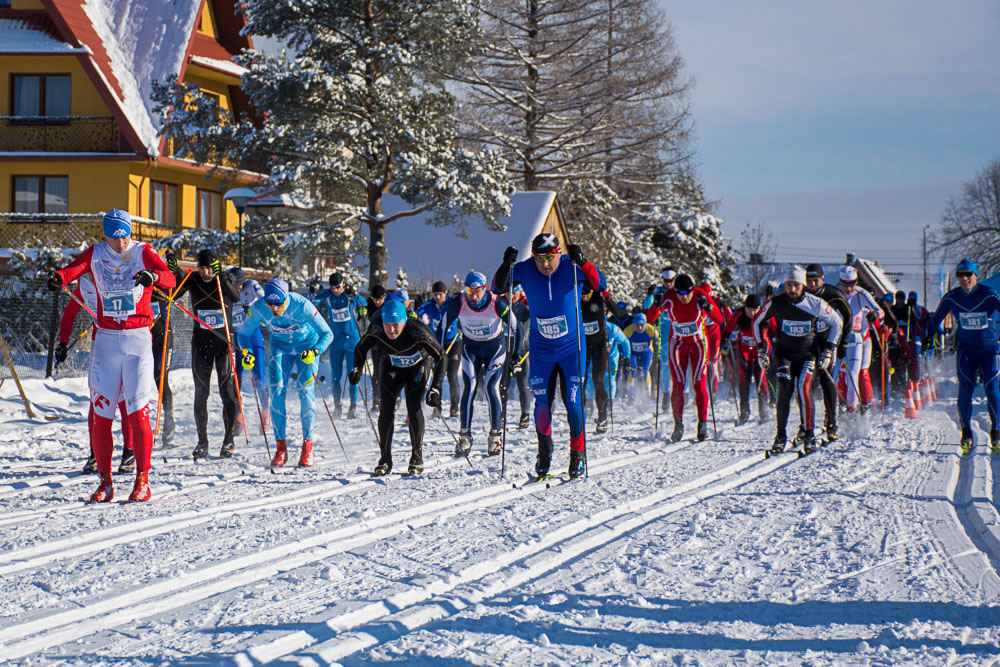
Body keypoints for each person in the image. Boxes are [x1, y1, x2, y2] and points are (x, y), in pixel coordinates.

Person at [47, 208, 175, 502]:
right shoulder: (95, 253)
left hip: (137, 340)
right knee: (101, 417)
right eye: (114, 237)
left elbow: (169, 278)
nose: (120, 243)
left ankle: (142, 479)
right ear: (105, 234)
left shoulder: (143, 251)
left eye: (125, 236)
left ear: (131, 231)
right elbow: (71, 271)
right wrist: (57, 278)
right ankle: (105, 481)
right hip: (105, 340)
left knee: (137, 412)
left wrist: (152, 275)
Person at [494, 234, 606, 479]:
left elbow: (601, 286)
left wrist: (584, 261)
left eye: (551, 258)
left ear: (559, 254)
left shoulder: (571, 267)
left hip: (571, 350)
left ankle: (577, 455)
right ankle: (544, 452)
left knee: (573, 404)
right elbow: (497, 288)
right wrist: (506, 265)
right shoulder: (524, 269)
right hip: (542, 350)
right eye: (540, 259)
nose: (546, 264)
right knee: (542, 404)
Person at [236, 278, 333, 467]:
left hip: (306, 347)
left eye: (278, 304)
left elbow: (327, 333)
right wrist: (246, 353)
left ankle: (307, 448)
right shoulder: (259, 308)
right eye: (270, 304)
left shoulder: (301, 305)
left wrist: (315, 351)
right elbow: (243, 334)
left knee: (305, 392)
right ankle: (281, 449)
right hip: (280, 349)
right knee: (277, 393)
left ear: (286, 299)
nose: (274, 309)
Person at [753, 266, 843, 455]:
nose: (791, 290)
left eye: (795, 285)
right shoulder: (776, 302)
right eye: (788, 285)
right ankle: (780, 436)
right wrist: (761, 350)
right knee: (784, 389)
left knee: (804, 387)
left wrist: (829, 350)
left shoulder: (815, 303)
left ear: (802, 285)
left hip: (807, 354)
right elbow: (756, 322)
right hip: (783, 353)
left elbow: (837, 323)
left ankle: (809, 434)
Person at [350, 300, 445, 475]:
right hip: (391, 368)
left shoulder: (417, 330)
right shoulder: (376, 328)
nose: (391, 330)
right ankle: (385, 458)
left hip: (417, 367)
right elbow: (360, 349)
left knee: (413, 405)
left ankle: (417, 456)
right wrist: (357, 369)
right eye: (387, 325)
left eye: (395, 325)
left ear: (404, 321)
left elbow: (441, 356)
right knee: (386, 409)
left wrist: (436, 387)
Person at [55, 273, 135, 473]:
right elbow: (69, 313)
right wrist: (63, 342)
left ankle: (129, 452)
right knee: (98, 400)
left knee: (125, 400)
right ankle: (95, 453)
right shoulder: (84, 284)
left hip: (126, 343)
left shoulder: (120, 275)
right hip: (100, 346)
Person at [166, 249, 241, 459]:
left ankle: (228, 440)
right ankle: (202, 441)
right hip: (201, 344)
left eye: (209, 267)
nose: (206, 272)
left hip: (224, 343)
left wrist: (221, 276)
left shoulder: (225, 278)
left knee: (227, 393)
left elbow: (235, 297)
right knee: (201, 394)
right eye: (202, 267)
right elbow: (174, 294)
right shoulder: (194, 279)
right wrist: (174, 273)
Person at [930, 259, 1000, 454]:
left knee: (992, 388)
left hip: (990, 351)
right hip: (966, 351)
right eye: (960, 275)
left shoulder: (988, 295)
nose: (965, 278)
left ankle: (997, 432)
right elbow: (935, 320)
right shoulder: (952, 298)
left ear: (976, 276)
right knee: (966, 389)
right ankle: (966, 432)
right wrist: (929, 336)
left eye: (968, 274)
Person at [647, 274, 724, 442]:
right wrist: (656, 303)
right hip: (678, 345)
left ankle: (702, 423)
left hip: (698, 344)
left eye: (687, 292)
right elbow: (650, 319)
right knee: (679, 384)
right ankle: (678, 424)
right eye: (680, 292)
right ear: (675, 290)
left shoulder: (699, 295)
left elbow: (719, 319)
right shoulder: (669, 297)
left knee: (699, 382)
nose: (684, 296)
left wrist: (709, 307)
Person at [443, 270, 510, 456]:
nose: (473, 295)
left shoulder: (497, 302)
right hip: (470, 348)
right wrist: (439, 353)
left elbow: (516, 325)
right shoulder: (459, 302)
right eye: (469, 290)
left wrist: (516, 355)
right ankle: (465, 436)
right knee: (470, 387)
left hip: (494, 348)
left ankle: (495, 436)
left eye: (477, 291)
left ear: (484, 289)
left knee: (491, 387)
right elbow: (444, 326)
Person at [803, 264, 851, 441]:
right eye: (808, 281)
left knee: (827, 380)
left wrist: (843, 343)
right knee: (807, 384)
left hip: (827, 342)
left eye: (815, 280)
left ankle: (831, 422)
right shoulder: (801, 295)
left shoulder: (832, 294)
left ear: (822, 279)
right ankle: (806, 425)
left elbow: (848, 316)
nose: (812, 284)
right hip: (807, 344)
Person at [313, 271, 367, 418]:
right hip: (336, 341)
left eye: (337, 287)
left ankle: (353, 406)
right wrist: (313, 292)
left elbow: (364, 303)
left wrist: (355, 294)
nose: (335, 290)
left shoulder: (348, 295)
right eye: (332, 287)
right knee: (335, 376)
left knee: (352, 374)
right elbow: (312, 302)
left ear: (343, 284)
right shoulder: (328, 295)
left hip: (352, 341)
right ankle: (337, 406)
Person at [835, 266, 884, 414]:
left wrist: (875, 316)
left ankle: (860, 404)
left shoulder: (861, 294)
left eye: (852, 284)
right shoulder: (835, 293)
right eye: (845, 284)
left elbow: (879, 311)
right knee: (839, 372)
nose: (849, 288)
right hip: (840, 337)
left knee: (858, 372)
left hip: (860, 338)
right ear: (840, 282)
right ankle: (841, 403)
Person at [721, 294, 771, 425]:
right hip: (744, 351)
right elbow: (727, 329)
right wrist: (724, 340)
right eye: (750, 309)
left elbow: (775, 327)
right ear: (745, 308)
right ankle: (744, 412)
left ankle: (763, 410)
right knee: (743, 380)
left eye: (755, 309)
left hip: (760, 351)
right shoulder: (739, 315)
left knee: (761, 380)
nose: (753, 312)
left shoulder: (764, 315)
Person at [230, 269, 268, 433]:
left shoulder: (252, 285)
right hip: (237, 340)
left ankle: (265, 413)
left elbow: (264, 298)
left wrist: (251, 306)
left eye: (238, 284)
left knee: (259, 376)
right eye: (234, 285)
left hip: (253, 336)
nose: (237, 288)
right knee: (236, 378)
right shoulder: (228, 291)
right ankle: (237, 415)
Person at [417, 280, 463, 417]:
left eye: (440, 294)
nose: (438, 297)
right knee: (438, 375)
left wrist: (462, 327)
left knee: (452, 375)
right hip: (437, 344)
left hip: (453, 342)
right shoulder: (429, 306)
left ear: (445, 294)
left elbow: (463, 313)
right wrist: (421, 315)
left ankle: (455, 407)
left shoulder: (452, 304)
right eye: (435, 294)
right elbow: (419, 311)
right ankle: (437, 408)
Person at [580, 282, 612, 432]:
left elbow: (616, 310)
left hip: (600, 345)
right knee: (581, 380)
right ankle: (579, 417)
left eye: (588, 295)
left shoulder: (598, 299)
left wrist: (606, 294)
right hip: (584, 345)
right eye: (583, 295)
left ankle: (602, 416)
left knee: (598, 379)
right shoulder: (578, 301)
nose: (585, 298)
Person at [622, 313, 659, 402]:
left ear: (645, 324)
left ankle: (648, 394)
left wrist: (656, 354)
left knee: (645, 370)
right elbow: (622, 342)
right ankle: (632, 394)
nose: (639, 328)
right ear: (633, 325)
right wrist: (623, 354)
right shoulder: (628, 330)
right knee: (633, 370)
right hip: (633, 353)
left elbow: (657, 341)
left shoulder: (651, 330)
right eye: (637, 326)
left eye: (642, 325)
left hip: (647, 353)